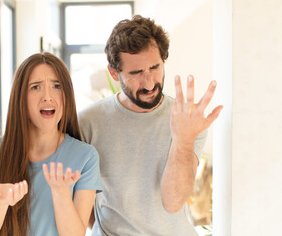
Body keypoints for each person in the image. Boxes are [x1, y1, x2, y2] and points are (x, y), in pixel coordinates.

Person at [78, 15, 223, 235]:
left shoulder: (186, 120)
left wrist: (183, 141)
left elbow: (173, 202)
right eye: (135, 73)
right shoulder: (88, 123)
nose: (148, 83)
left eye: (154, 67)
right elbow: (82, 206)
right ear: (114, 73)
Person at [0, 52, 102, 236]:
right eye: (36, 87)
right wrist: (1, 201)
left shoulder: (85, 156)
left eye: (56, 86)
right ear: (21, 97)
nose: (47, 96)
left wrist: (61, 193)